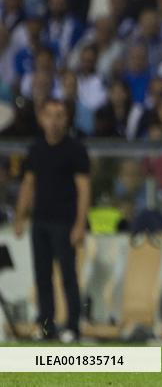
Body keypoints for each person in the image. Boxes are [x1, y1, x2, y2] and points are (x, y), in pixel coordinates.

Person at [13, 99, 91, 342]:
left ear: (66, 119)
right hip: (41, 222)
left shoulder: (75, 149)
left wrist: (80, 223)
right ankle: (47, 327)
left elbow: (84, 188)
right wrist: (20, 216)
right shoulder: (36, 149)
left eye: (60, 115)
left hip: (65, 222)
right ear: (41, 119)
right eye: (50, 115)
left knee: (68, 276)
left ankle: (73, 327)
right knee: (42, 277)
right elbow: (28, 184)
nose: (55, 121)